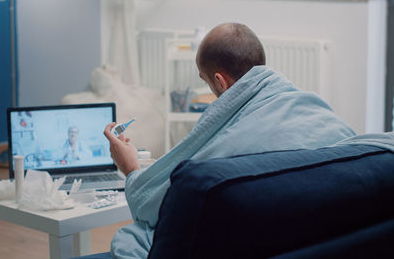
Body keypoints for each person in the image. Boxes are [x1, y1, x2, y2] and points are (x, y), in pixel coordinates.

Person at [103, 23, 356, 259]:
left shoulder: (225, 145)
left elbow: (152, 203)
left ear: (219, 82)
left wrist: (132, 169)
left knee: (131, 237)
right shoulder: (320, 113)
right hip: (328, 237)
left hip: (254, 239)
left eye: (205, 80)